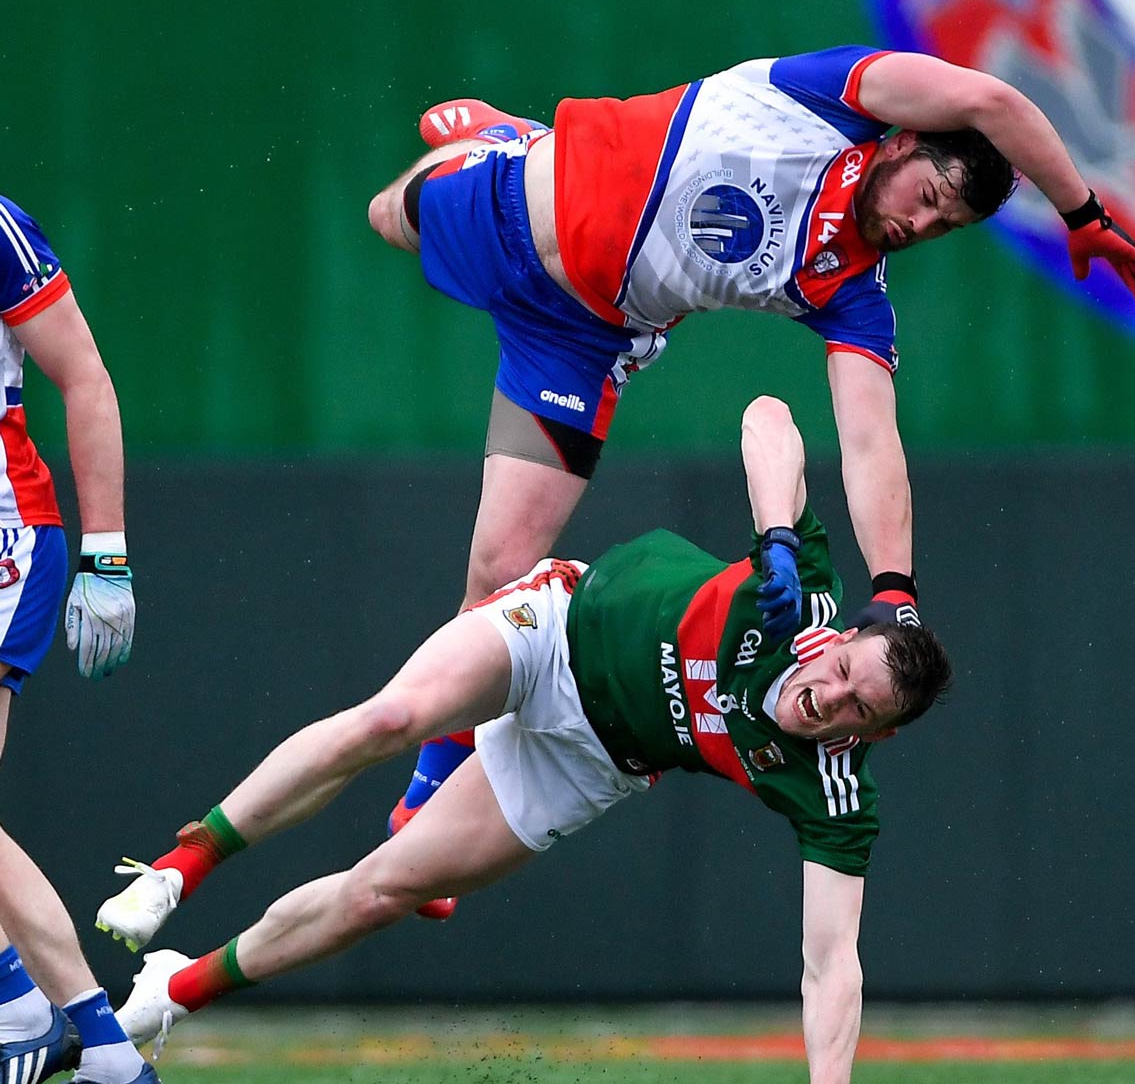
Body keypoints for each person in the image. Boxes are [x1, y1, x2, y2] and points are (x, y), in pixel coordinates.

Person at [359, 45, 1135, 884]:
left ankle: (427, 789)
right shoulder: (825, 104)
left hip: (579, 338)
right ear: (897, 144)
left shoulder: (852, 288)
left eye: (945, 228)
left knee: (499, 570)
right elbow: (993, 100)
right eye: (928, 197)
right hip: (515, 211)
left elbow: (869, 442)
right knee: (389, 216)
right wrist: (1082, 213)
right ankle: (494, 141)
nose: (922, 225)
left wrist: (895, 590)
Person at [99, 397, 950, 1084]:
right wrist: (774, 538)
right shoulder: (801, 596)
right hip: (556, 628)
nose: (826, 698)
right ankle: (181, 867)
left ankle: (173, 989)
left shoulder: (835, 792)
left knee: (379, 894)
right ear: (840, 640)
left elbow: (831, 963)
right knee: (390, 718)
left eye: (855, 711)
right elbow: (768, 417)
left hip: (588, 760)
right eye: (841, 672)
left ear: (881, 733)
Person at [0, 195, 158, 1084]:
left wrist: (108, 555)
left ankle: (83, 1038)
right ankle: (42, 1017)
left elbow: (85, 375)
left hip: (6, 535)